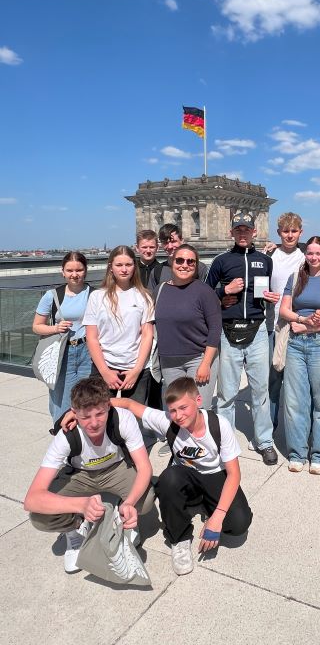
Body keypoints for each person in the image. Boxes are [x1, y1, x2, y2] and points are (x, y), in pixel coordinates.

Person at [111, 377, 253, 575]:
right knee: (168, 479)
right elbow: (128, 404)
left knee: (238, 524)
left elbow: (234, 474)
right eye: (173, 410)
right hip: (185, 475)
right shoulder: (168, 422)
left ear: (198, 401)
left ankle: (209, 508)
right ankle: (179, 539)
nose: (178, 415)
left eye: (183, 407)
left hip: (215, 475)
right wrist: (80, 410)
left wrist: (217, 517)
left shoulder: (219, 425)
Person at [24, 377, 154, 573]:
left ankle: (122, 516)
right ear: (74, 413)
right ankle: (75, 528)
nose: (94, 423)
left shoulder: (123, 419)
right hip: (80, 473)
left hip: (116, 468)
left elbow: (144, 467)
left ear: (108, 406)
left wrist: (129, 502)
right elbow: (32, 499)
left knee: (145, 500)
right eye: (85, 417)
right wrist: (80, 506)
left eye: (100, 414)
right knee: (40, 517)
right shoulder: (66, 435)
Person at [206, 211, 280, 466]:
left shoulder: (265, 260)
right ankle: (226, 442)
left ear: (254, 232)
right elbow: (204, 294)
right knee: (226, 393)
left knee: (260, 390)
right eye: (238, 229)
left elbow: (265, 291)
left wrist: (270, 298)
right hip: (228, 330)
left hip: (257, 330)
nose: (242, 233)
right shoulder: (221, 261)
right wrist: (224, 290)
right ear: (232, 232)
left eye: (246, 229)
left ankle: (264, 441)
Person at [279, 236, 320, 474]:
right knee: (295, 402)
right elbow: (284, 310)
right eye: (310, 253)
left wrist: (310, 326)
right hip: (295, 345)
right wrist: (303, 318)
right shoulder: (296, 277)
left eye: (318, 253)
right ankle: (297, 452)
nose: (314, 257)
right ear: (305, 254)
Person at [82, 245, 154, 406]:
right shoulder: (97, 297)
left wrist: (136, 370)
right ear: (111, 267)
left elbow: (147, 335)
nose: (124, 269)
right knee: (101, 415)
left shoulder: (144, 297)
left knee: (134, 418)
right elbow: (92, 337)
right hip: (104, 366)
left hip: (136, 369)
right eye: (119, 265)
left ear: (134, 266)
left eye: (128, 264)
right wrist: (104, 372)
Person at [153, 243, 221, 407]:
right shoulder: (160, 290)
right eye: (180, 260)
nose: (185, 265)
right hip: (169, 362)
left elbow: (215, 329)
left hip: (198, 360)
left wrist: (206, 364)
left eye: (190, 262)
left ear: (196, 265)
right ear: (172, 262)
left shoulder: (204, 291)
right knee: (177, 410)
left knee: (199, 409)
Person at [32, 251, 94, 422]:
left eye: (79, 270)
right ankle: (60, 431)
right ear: (63, 272)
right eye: (70, 270)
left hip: (88, 351)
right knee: (61, 398)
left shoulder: (95, 294)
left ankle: (83, 432)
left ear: (85, 270)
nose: (75, 274)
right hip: (63, 352)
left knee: (87, 396)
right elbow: (36, 326)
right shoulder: (52, 295)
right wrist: (55, 328)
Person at [263, 212, 305, 431]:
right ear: (278, 232)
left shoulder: (305, 256)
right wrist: (264, 295)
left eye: (294, 231)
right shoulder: (269, 256)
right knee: (273, 380)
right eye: (285, 231)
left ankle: (295, 429)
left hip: (297, 325)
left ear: (300, 233)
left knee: (295, 382)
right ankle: (270, 426)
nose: (289, 235)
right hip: (273, 324)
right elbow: (259, 287)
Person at [148, 223, 207, 295]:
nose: (169, 246)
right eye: (165, 243)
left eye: (173, 241)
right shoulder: (157, 271)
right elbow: (152, 299)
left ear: (182, 241)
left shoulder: (199, 268)